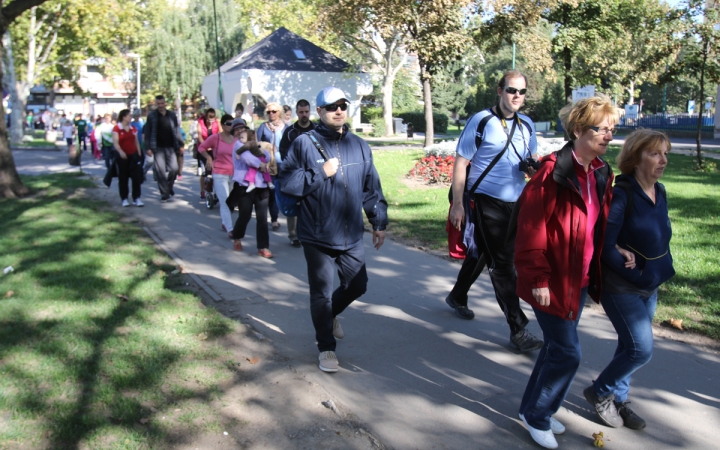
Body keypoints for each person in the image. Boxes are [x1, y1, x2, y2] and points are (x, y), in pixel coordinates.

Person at [513, 95, 619, 449]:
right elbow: (531, 229)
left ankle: (532, 410)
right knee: (568, 352)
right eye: (600, 128)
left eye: (611, 129)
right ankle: (539, 415)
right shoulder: (552, 172)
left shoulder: (601, 172)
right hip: (551, 279)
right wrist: (538, 278)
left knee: (554, 349)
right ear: (577, 129)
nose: (608, 135)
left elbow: (596, 227)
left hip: (580, 279)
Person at [278, 86, 388, 373]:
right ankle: (326, 347)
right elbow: (288, 183)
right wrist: (320, 172)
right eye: (331, 106)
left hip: (351, 233)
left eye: (342, 105)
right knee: (321, 293)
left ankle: (330, 316)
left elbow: (371, 188)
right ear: (319, 112)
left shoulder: (360, 145)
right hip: (316, 233)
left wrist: (378, 221)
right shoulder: (303, 143)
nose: (338, 110)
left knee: (358, 284)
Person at [583, 129, 675, 432]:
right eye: (654, 154)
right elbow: (604, 246)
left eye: (664, 153)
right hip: (622, 286)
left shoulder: (659, 191)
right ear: (636, 158)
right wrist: (634, 270)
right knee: (640, 349)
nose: (662, 160)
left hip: (649, 285)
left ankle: (618, 398)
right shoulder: (622, 194)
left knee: (629, 346)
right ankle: (599, 391)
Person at [446, 69, 543, 352]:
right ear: (499, 90)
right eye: (511, 90)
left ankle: (457, 295)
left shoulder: (526, 124)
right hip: (485, 201)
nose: (516, 96)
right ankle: (518, 329)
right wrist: (459, 204)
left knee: (485, 252)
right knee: (503, 264)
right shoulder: (482, 121)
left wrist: (533, 167)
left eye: (522, 92)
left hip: (516, 202)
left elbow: (531, 158)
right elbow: (461, 163)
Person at [228, 120, 274, 258]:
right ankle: (237, 237)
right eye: (237, 130)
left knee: (262, 218)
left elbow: (266, 156)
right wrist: (261, 164)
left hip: (261, 185)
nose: (240, 131)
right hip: (245, 186)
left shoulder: (253, 144)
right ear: (234, 134)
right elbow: (249, 159)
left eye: (243, 129)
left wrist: (263, 155)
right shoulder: (238, 145)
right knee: (245, 215)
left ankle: (263, 247)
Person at [279, 99, 315, 247]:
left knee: (311, 204)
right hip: (294, 174)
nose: (304, 115)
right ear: (297, 112)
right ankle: (293, 235)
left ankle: (309, 233)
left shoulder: (317, 130)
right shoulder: (290, 132)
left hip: (314, 173)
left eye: (306, 112)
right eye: (301, 112)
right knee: (294, 205)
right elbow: (283, 153)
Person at [198, 114, 239, 237]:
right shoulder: (215, 138)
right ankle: (230, 229)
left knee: (232, 201)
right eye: (228, 123)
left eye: (232, 123)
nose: (230, 126)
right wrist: (209, 157)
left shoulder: (236, 139)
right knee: (224, 201)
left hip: (234, 174)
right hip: (219, 173)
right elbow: (201, 147)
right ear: (222, 125)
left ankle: (224, 222)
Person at [144, 95, 184, 202]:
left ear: (165, 103)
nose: (160, 106)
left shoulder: (171, 115)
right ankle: (164, 193)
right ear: (156, 104)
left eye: (162, 103)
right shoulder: (152, 115)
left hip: (171, 147)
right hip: (158, 147)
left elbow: (177, 130)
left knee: (174, 169)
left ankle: (168, 188)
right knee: (160, 171)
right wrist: (148, 147)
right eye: (158, 104)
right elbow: (147, 132)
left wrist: (181, 144)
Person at [256, 102, 289, 231]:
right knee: (272, 191)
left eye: (274, 111)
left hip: (283, 163)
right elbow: (257, 146)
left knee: (281, 190)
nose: (271, 114)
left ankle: (282, 213)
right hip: (269, 164)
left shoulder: (286, 127)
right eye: (269, 112)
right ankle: (274, 219)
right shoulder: (263, 127)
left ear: (279, 112)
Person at [112, 109, 144, 207]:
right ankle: (124, 198)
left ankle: (136, 198)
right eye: (129, 116)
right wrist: (121, 152)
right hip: (122, 157)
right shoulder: (117, 128)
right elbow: (116, 143)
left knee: (136, 178)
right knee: (123, 178)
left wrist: (139, 154)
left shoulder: (133, 128)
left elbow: (136, 142)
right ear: (124, 117)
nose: (131, 117)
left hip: (133, 155)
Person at [197, 108, 219, 199]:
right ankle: (202, 190)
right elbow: (199, 136)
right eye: (208, 120)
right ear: (205, 117)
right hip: (203, 149)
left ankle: (213, 187)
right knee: (205, 171)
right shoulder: (200, 123)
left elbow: (220, 135)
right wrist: (206, 145)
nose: (210, 122)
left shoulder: (217, 123)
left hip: (213, 149)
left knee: (214, 169)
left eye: (212, 120)